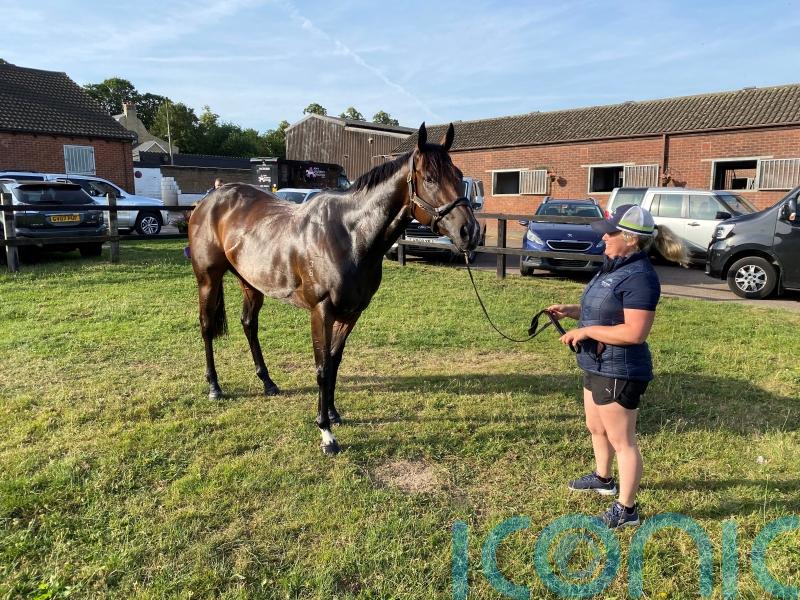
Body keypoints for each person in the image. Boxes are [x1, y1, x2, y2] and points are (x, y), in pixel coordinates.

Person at [546, 204, 686, 529]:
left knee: (623, 441)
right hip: (596, 361)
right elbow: (603, 308)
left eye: (610, 232)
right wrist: (572, 311)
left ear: (630, 239)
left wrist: (587, 331)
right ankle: (603, 478)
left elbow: (635, 332)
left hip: (620, 368)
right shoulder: (612, 266)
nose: (603, 237)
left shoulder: (641, 278)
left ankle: (627, 509)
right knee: (596, 427)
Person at [184, 179, 225, 258]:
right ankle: (191, 249)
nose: (220, 187)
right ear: (215, 186)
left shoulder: (225, 193)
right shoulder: (210, 193)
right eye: (218, 186)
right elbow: (204, 203)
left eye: (222, 186)